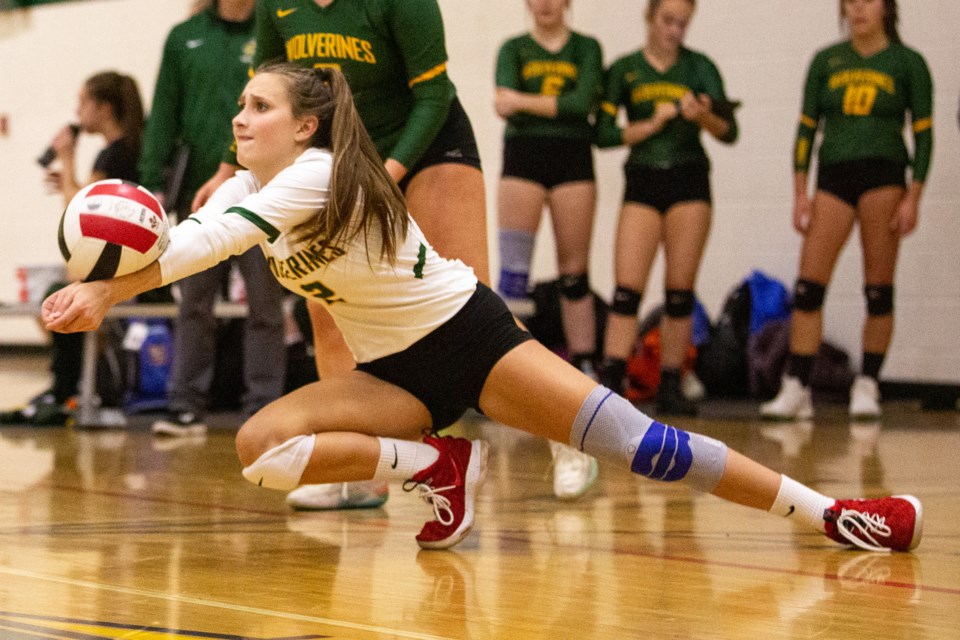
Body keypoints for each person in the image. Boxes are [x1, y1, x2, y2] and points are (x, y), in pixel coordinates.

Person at [42, 63, 923, 554]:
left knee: (641, 446)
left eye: (257, 106)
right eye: (239, 104)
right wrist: (101, 276)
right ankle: (436, 468)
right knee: (261, 450)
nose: (239, 117)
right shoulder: (247, 183)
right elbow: (185, 237)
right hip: (392, 373)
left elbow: (207, 244)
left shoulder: (312, 177)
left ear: (304, 128)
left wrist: (104, 290)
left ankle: (834, 513)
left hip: (470, 337)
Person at [192, 0, 490, 510]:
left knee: (478, 312)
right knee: (325, 309)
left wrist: (379, 178)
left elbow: (434, 93)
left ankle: (566, 440)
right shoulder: (276, 6)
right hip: (339, 154)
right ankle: (364, 473)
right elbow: (263, 87)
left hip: (427, 143)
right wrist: (226, 169)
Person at [761, 0, 933, 421]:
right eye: (850, 2)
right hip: (833, 177)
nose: (858, 9)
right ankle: (797, 386)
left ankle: (868, 383)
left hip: (885, 176)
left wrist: (914, 196)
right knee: (808, 288)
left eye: (867, 1)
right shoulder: (826, 60)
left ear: (886, 8)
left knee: (877, 290)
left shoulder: (908, 63)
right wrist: (801, 191)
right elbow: (805, 130)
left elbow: (925, 135)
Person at [138, 0, 286, 437]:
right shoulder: (184, 37)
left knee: (265, 305)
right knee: (194, 305)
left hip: (262, 191)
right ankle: (185, 406)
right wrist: (151, 181)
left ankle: (264, 408)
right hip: (199, 194)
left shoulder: (273, 29)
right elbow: (164, 110)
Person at [595, 0, 738, 416]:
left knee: (679, 293)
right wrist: (651, 124)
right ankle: (611, 384)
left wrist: (703, 118)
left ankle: (671, 383)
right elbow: (603, 135)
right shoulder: (625, 69)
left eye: (683, 23)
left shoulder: (699, 67)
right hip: (643, 178)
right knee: (626, 292)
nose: (675, 30)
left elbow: (730, 130)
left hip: (689, 179)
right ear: (650, 17)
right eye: (667, 21)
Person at [494, 0, 603, 499]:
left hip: (572, 160)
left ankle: (584, 372)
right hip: (523, 159)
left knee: (574, 275)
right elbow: (501, 101)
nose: (544, 5)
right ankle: (506, 376)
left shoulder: (587, 47)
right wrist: (542, 105)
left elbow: (584, 105)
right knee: (512, 280)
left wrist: (526, 101)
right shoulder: (512, 48)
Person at [0, 71, 144, 427]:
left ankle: (65, 388)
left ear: (103, 107)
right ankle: (70, 384)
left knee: (56, 294)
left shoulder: (114, 154)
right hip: (121, 259)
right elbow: (90, 202)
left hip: (117, 268)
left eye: (83, 102)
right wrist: (70, 180)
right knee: (53, 293)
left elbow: (79, 216)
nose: (77, 111)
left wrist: (66, 158)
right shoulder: (129, 148)